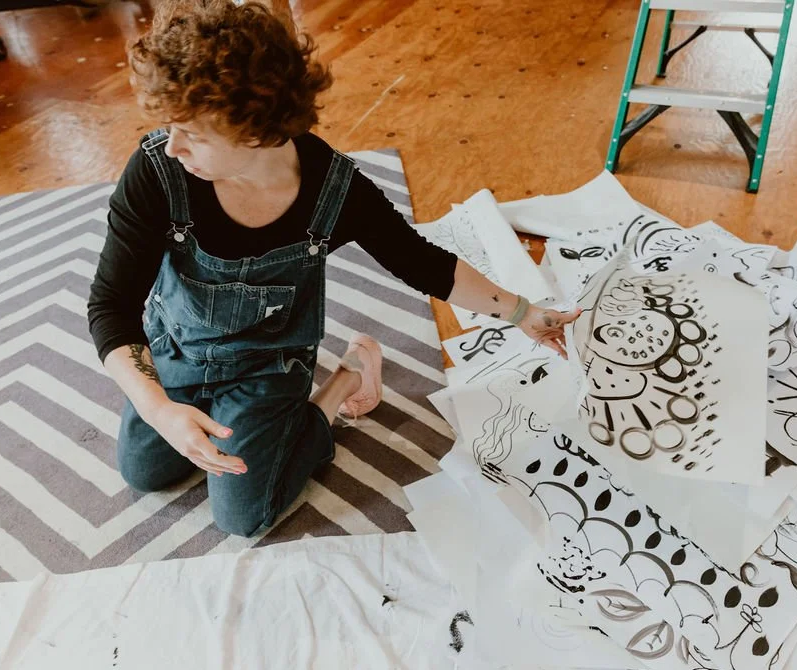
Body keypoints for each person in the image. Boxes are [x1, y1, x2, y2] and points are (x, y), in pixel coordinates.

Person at [87, 0, 579, 537]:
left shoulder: (336, 191)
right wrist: (160, 411)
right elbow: (110, 306)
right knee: (147, 473)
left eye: (194, 133)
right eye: (170, 125)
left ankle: (342, 380)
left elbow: (423, 263)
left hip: (267, 365)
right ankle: (208, 409)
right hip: (178, 348)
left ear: (255, 128)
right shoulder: (159, 170)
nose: (173, 144)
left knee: (243, 517)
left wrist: (523, 312)